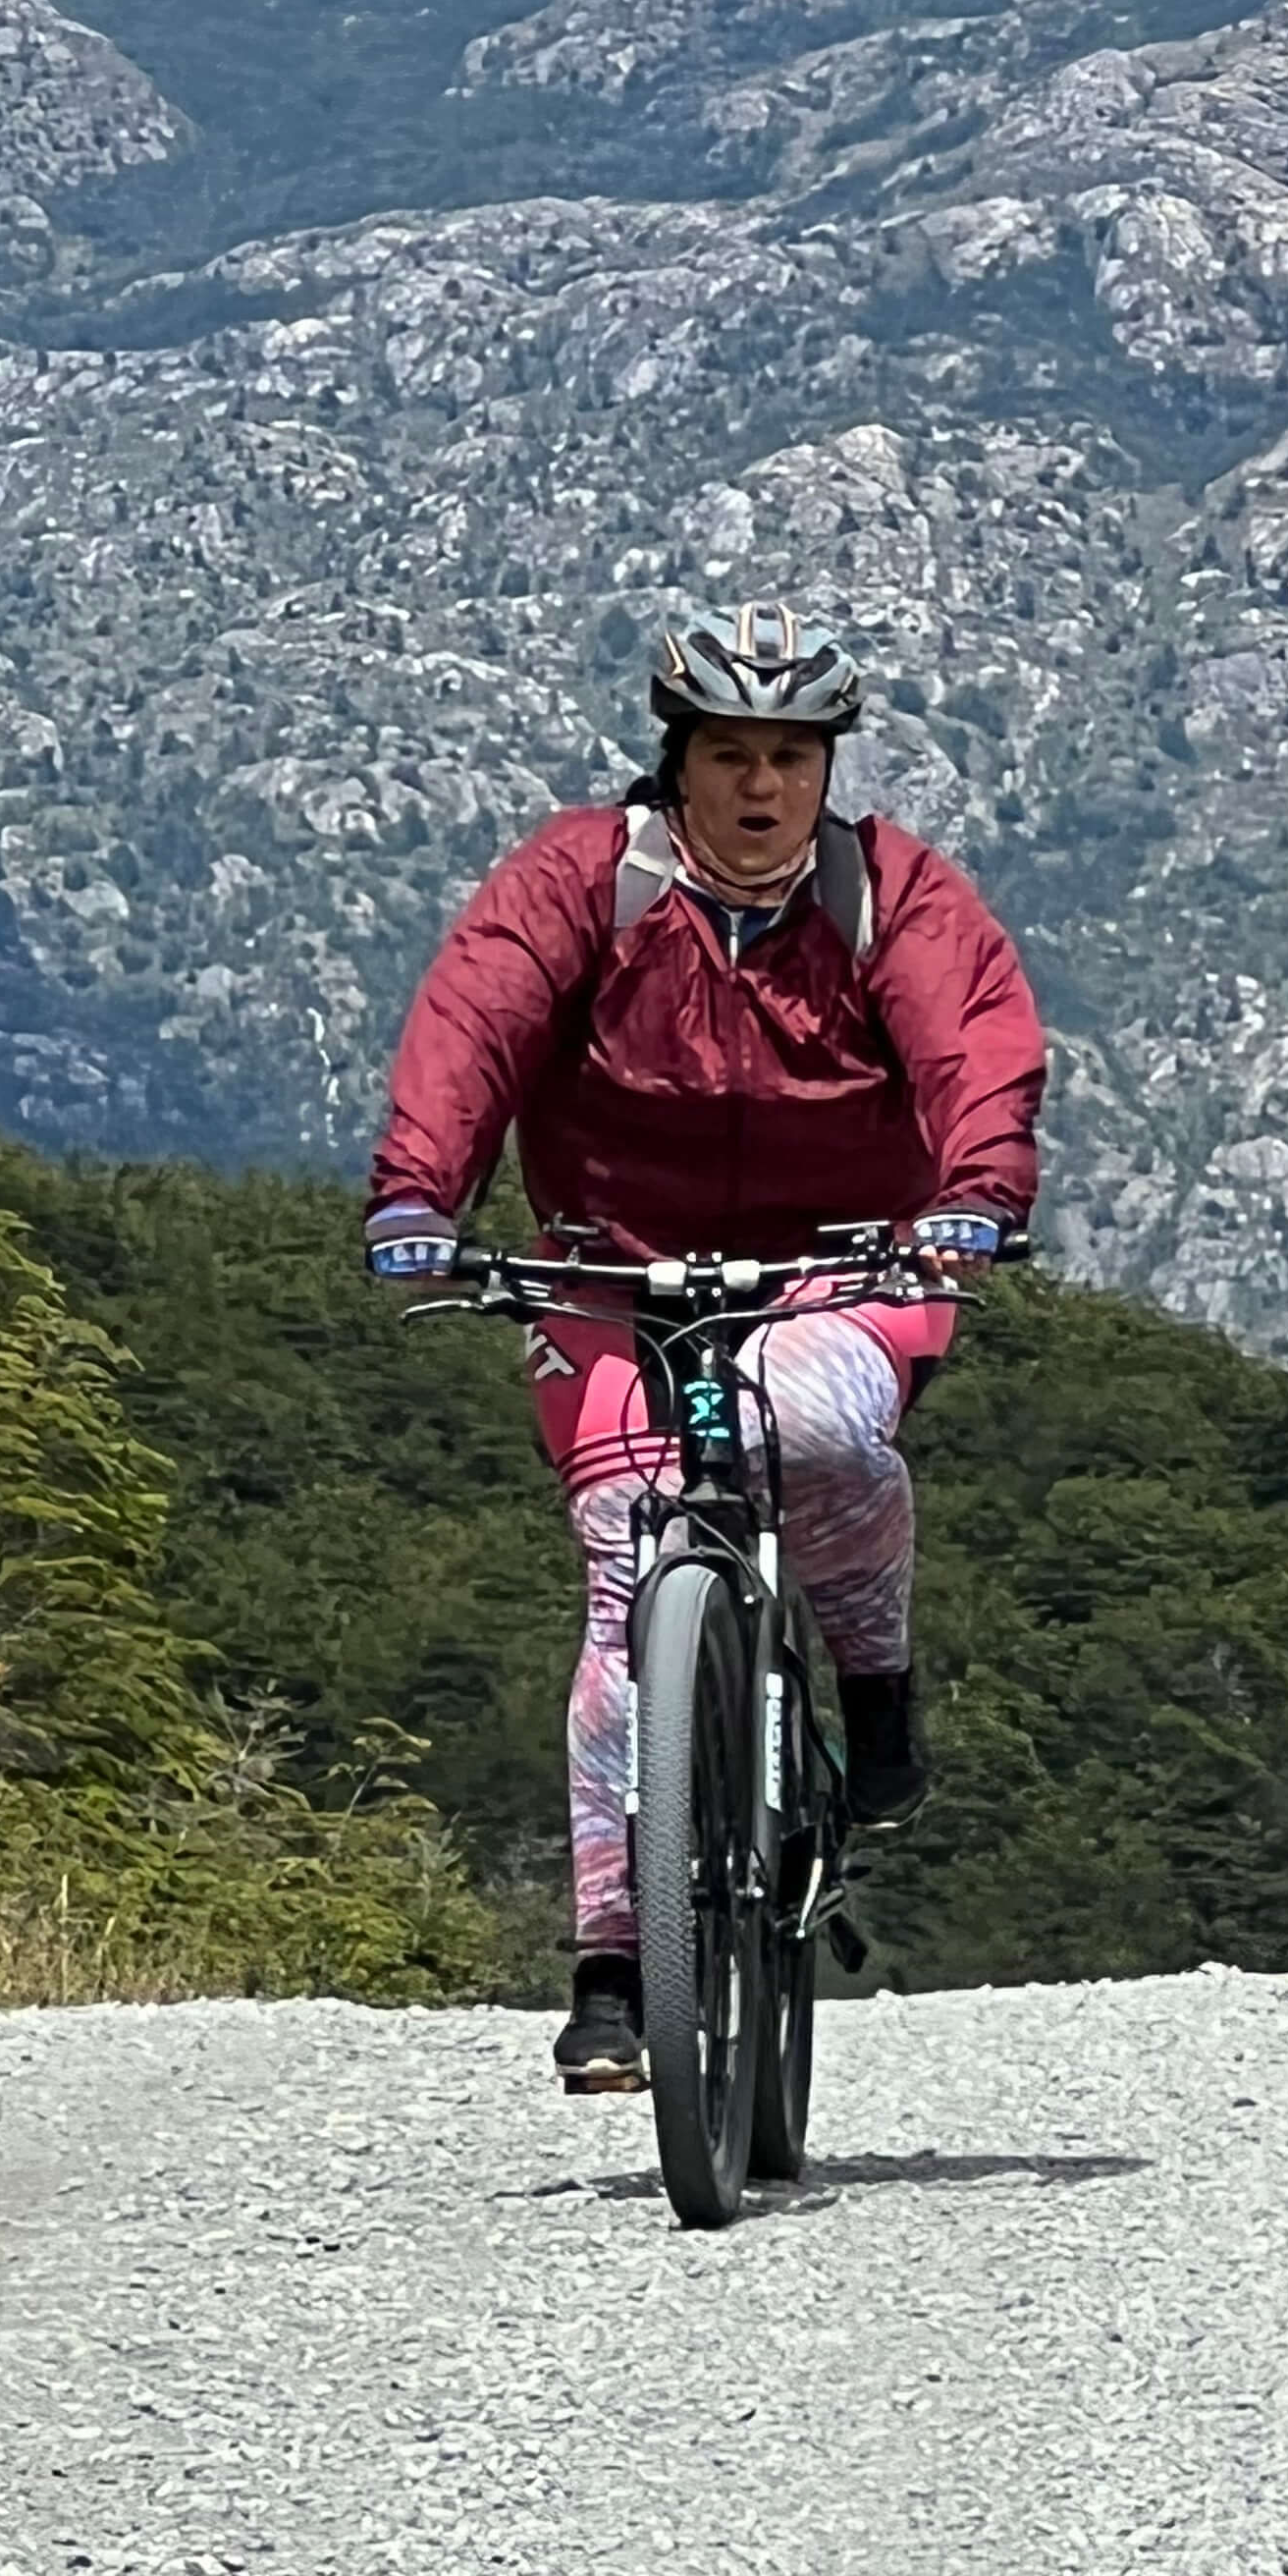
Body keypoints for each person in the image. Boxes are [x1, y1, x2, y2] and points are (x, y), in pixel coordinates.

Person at [361, 603, 1046, 2094]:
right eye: (730, 754)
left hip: (848, 1264)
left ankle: (872, 1684)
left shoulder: (891, 899)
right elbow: (473, 1022)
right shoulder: (583, 885)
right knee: (625, 1548)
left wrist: (976, 1200)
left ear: (826, 772)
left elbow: (972, 1046)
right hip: (611, 1265)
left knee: (814, 1428)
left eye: (792, 759)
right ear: (674, 764)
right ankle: (617, 1963)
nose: (761, 787)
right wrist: (422, 1194)